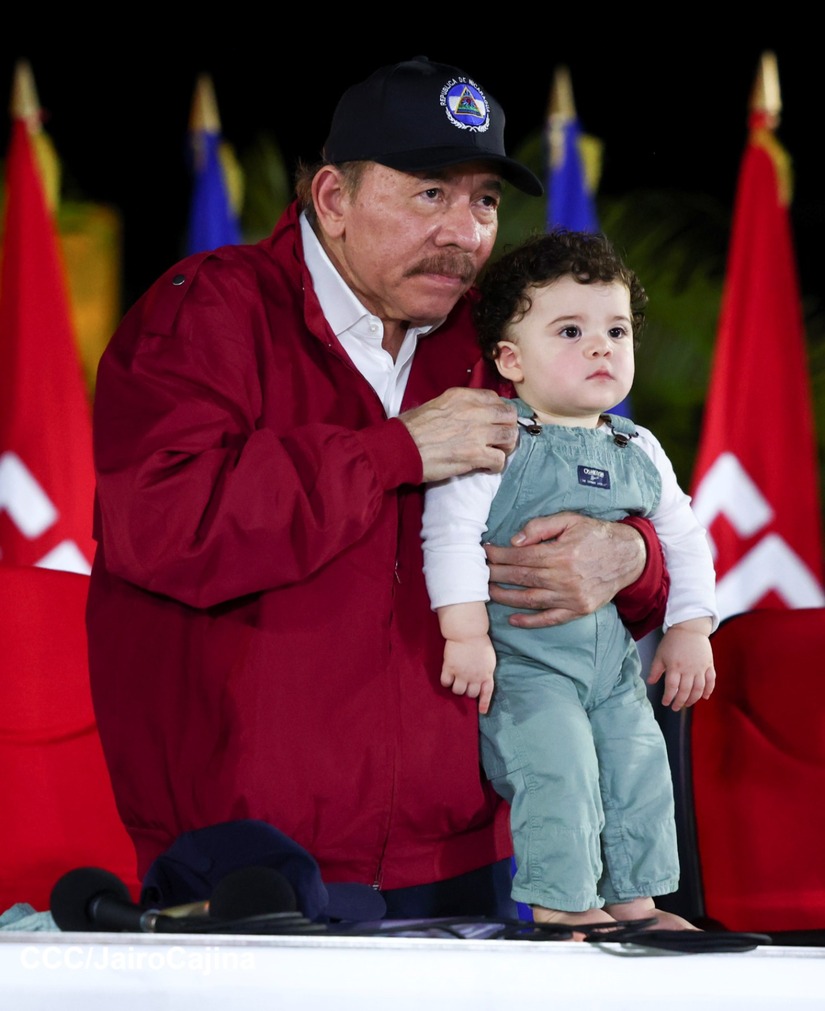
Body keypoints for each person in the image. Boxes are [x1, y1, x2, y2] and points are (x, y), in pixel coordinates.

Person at [86, 56, 670, 921]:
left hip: (480, 856)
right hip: (248, 859)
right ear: (333, 197)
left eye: (483, 201)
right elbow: (165, 526)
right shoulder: (206, 312)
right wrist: (391, 452)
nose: (464, 233)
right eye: (430, 193)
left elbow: (626, 495)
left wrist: (630, 555)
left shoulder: (500, 341)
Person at [421, 229, 718, 932]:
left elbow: (683, 540)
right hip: (525, 663)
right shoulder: (494, 434)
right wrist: (464, 633)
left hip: (613, 668)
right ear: (510, 358)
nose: (600, 348)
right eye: (570, 331)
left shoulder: (637, 445)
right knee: (558, 770)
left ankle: (638, 902)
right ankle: (561, 903)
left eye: (616, 331)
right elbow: (449, 533)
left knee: (639, 770)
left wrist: (689, 628)